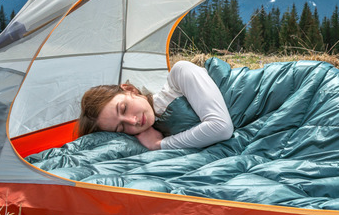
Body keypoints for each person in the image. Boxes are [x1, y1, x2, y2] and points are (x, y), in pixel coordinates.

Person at [78, 61, 233, 150]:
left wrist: (160, 145)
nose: (132, 121)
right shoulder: (158, 128)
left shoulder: (180, 73)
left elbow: (221, 127)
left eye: (124, 109)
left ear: (130, 89)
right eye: (121, 128)